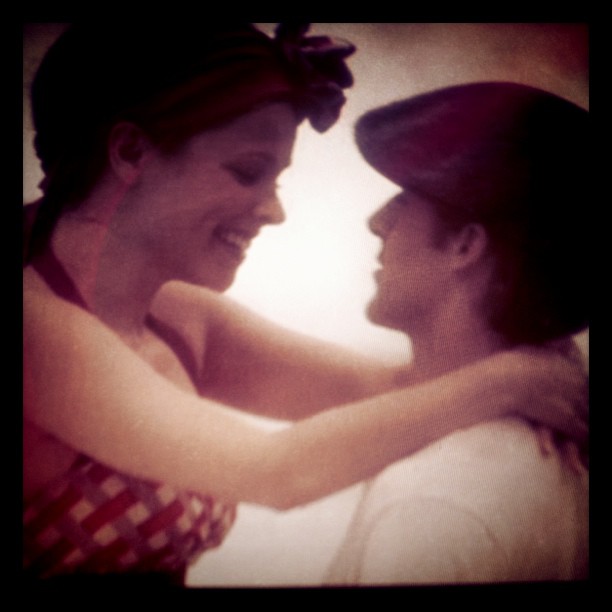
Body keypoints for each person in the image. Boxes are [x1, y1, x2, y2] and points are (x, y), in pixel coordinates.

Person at [23, 23, 587, 585]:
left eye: (277, 180)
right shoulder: (34, 327)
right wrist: (511, 382)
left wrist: (546, 363)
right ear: (130, 152)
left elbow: (402, 388)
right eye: (248, 172)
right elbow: (275, 472)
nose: (275, 212)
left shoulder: (177, 316)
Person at [325, 82, 589, 585]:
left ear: (465, 246)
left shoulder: (429, 506)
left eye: (405, 200)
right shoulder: (553, 449)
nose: (376, 221)